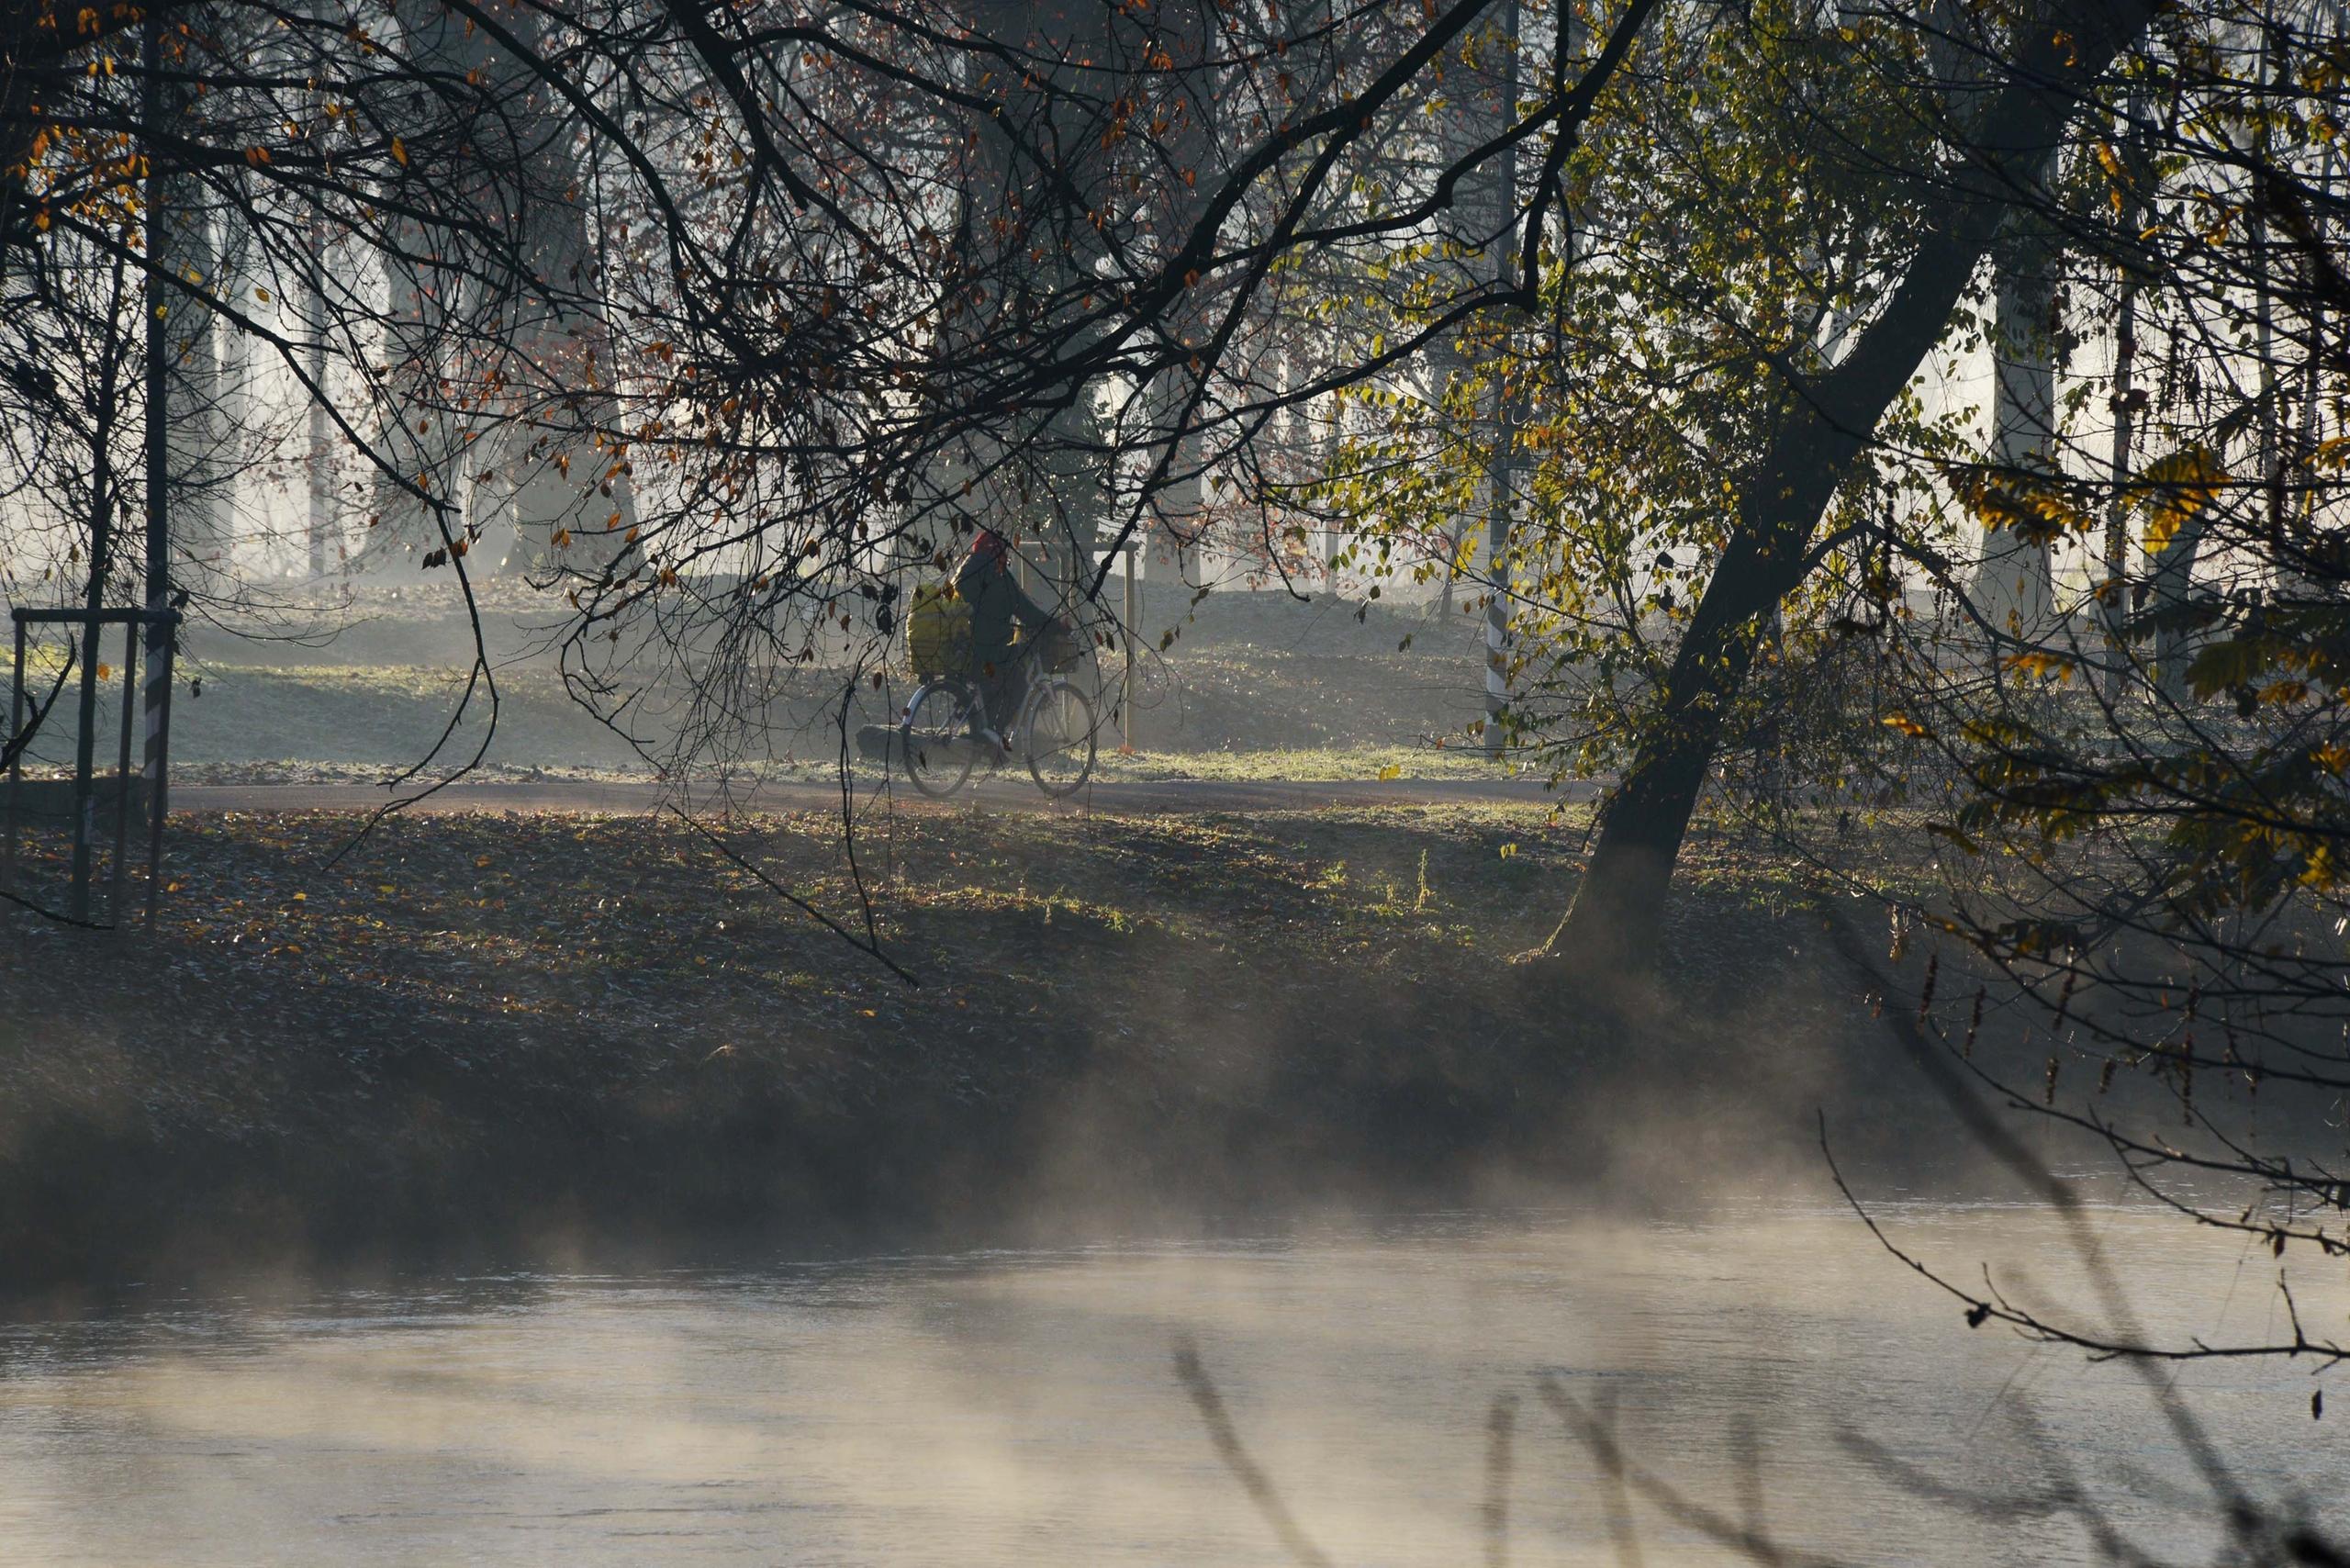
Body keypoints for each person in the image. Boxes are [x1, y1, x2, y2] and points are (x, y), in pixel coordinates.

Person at [954, 528, 1058, 745]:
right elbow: (1026, 611)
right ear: (997, 552)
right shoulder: (997, 574)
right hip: (988, 647)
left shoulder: (965, 570)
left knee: (991, 682)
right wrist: (1055, 626)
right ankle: (995, 732)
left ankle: (984, 733)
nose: (1006, 558)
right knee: (1019, 678)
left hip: (962, 647)